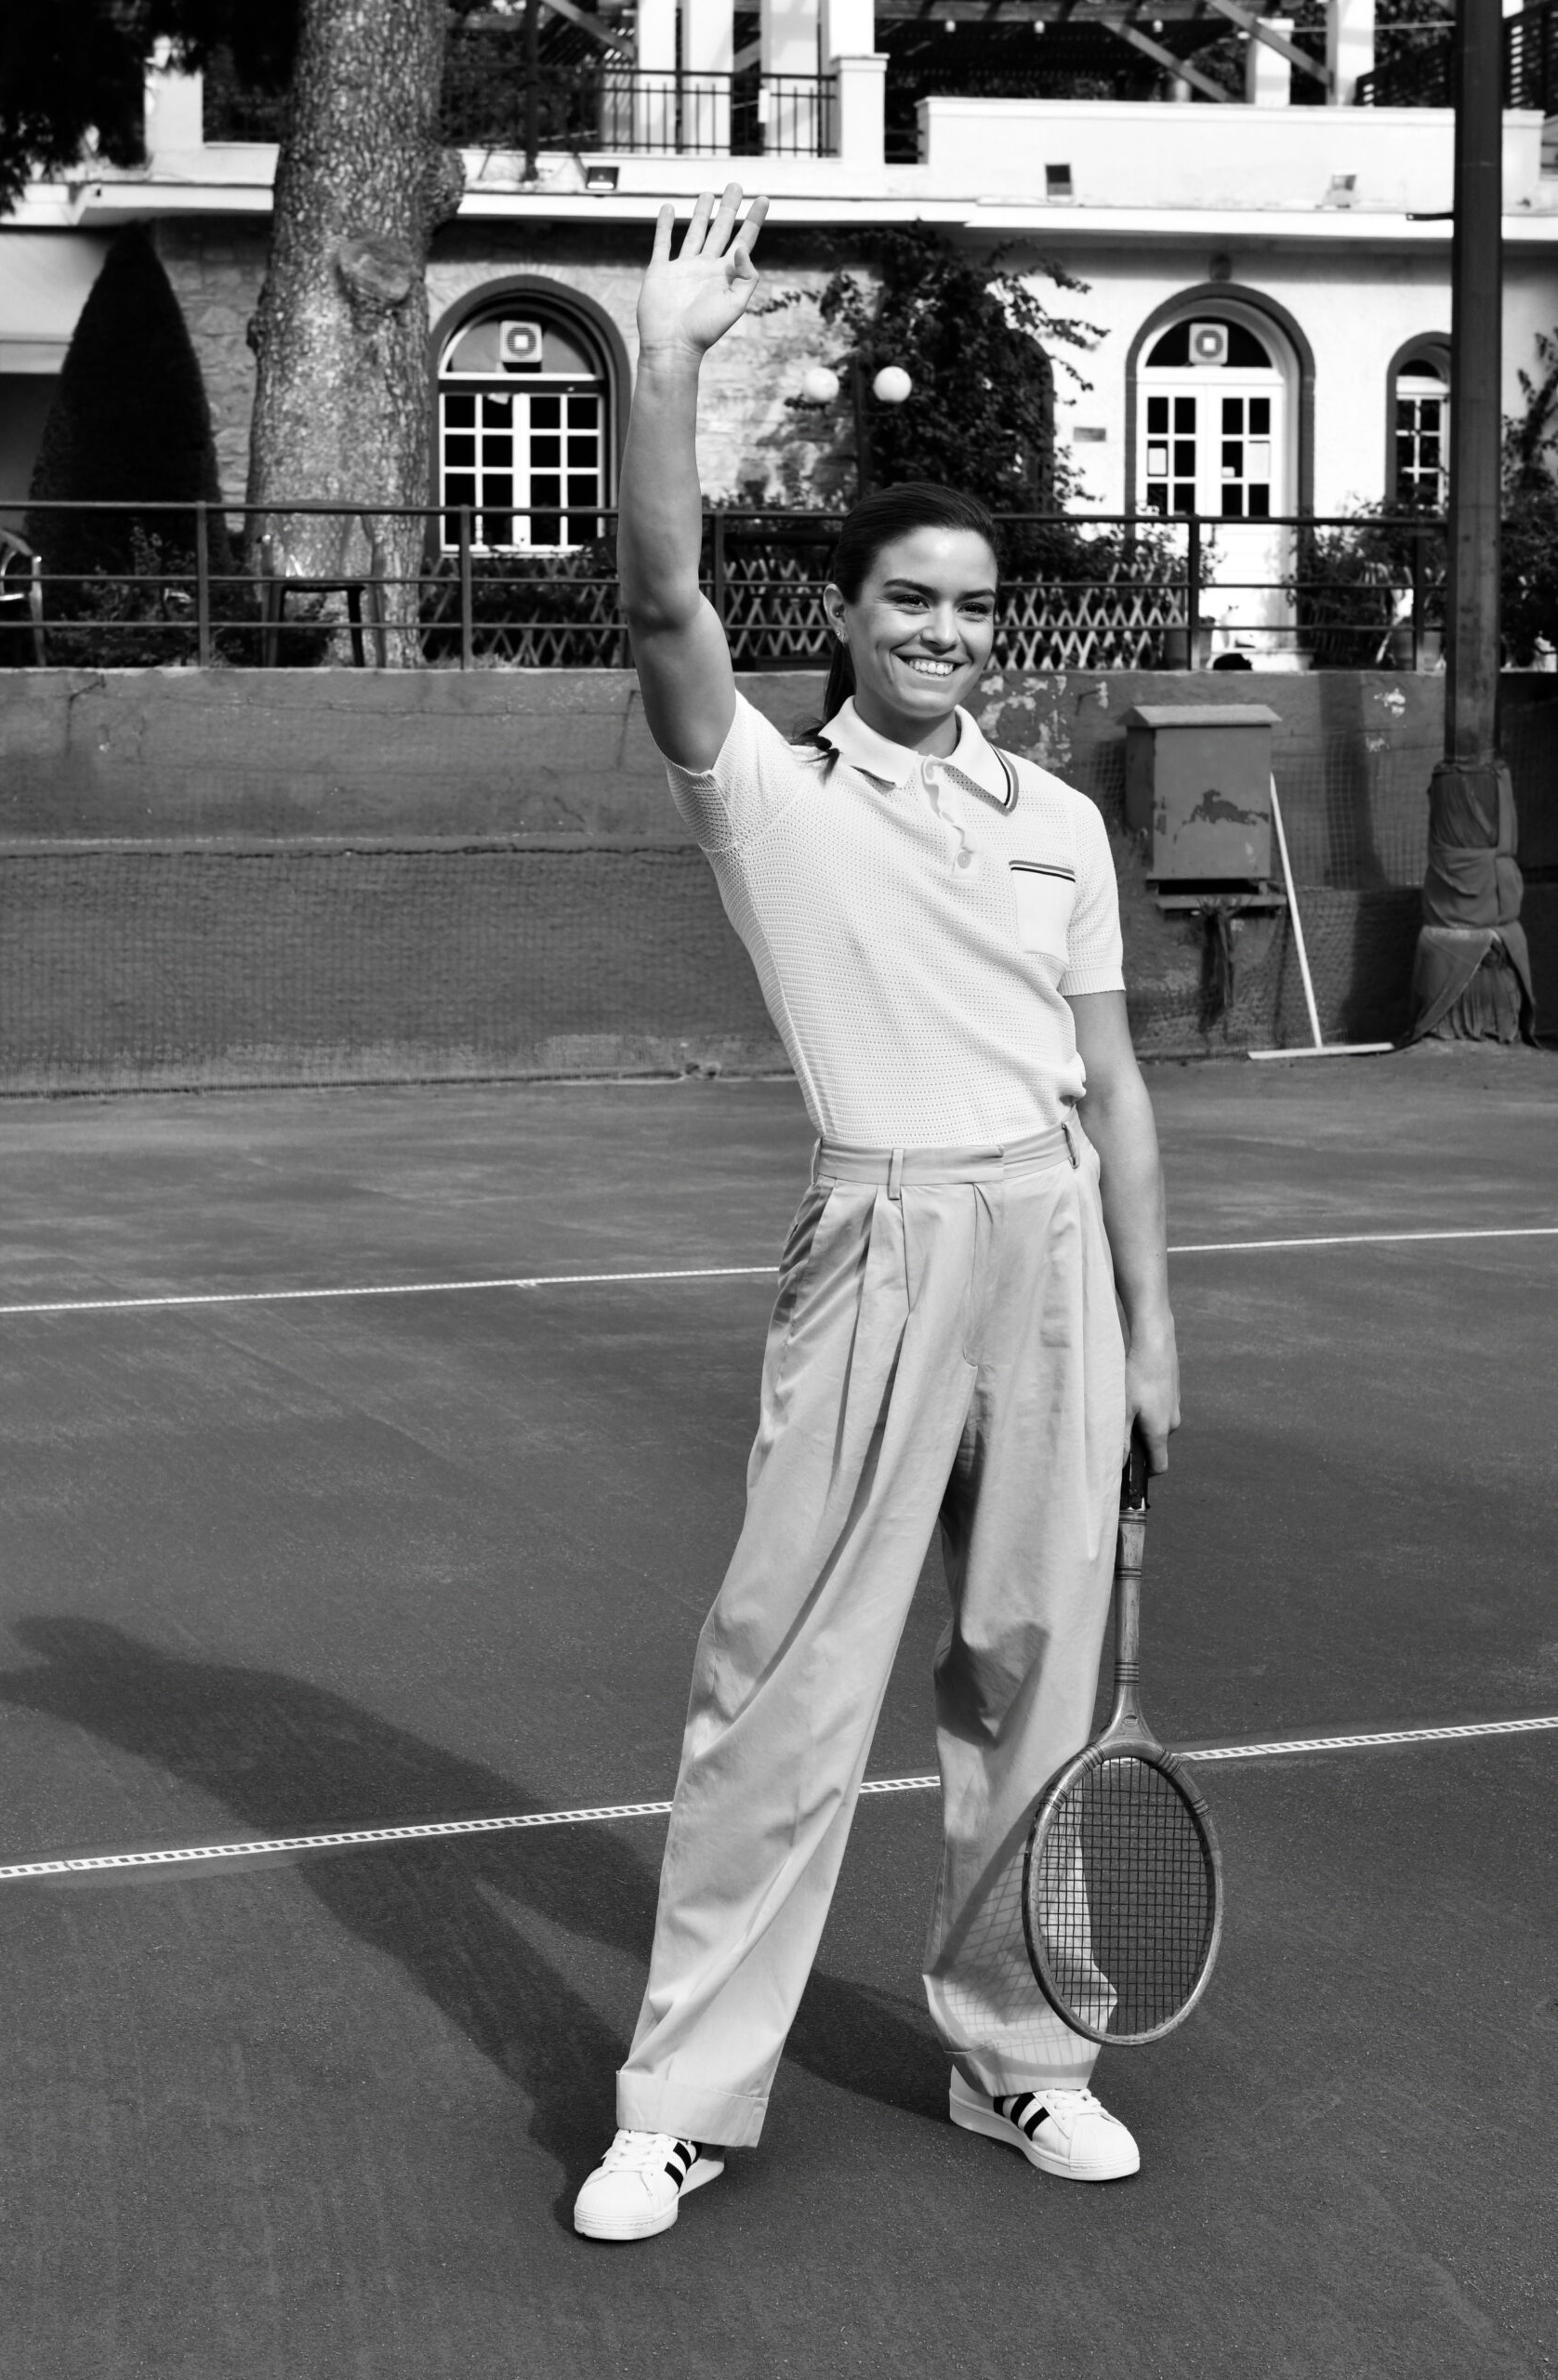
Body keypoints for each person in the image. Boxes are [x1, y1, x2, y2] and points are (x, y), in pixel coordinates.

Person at [574, 187, 1181, 2243]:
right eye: (907, 599)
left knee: (1033, 1677)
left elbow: (1111, 1084)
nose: (942, 630)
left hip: (1051, 1252)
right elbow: (663, 601)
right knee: (783, 1684)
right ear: (840, 613)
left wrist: (1151, 1330)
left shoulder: (1061, 822)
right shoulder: (769, 791)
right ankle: (678, 2099)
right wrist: (667, 361)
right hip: (878, 1244)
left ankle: (1019, 2057)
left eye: (971, 606)